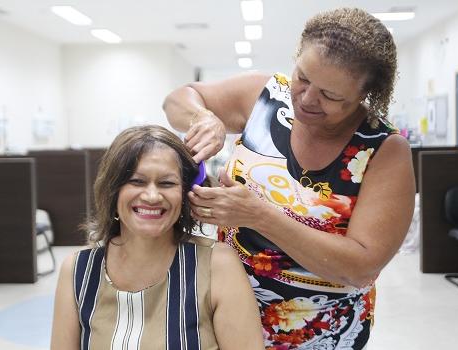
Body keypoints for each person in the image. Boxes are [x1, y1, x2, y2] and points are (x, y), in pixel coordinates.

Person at [163, 8, 415, 349]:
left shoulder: (384, 150)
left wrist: (260, 216)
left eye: (331, 95)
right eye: (303, 77)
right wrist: (203, 117)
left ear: (364, 95)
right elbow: (178, 99)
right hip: (227, 318)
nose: (308, 99)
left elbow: (360, 268)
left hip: (321, 334)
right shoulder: (267, 98)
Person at [50, 125, 264, 349]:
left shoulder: (216, 265)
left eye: (167, 183)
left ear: (184, 194)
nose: (152, 196)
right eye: (137, 181)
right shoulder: (78, 271)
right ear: (112, 190)